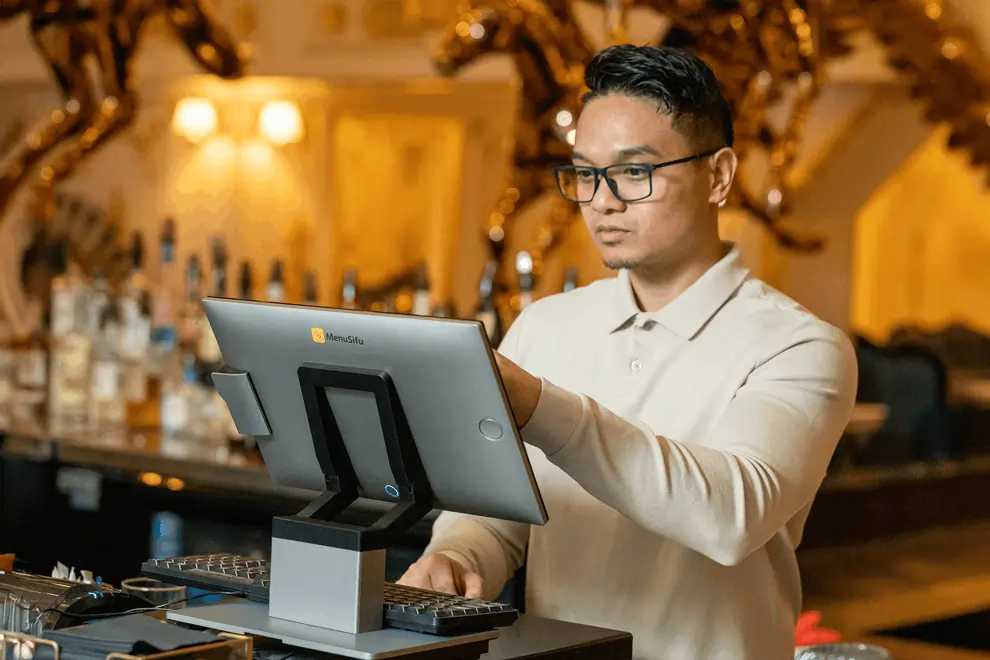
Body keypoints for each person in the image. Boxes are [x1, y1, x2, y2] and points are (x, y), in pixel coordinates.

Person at [398, 44, 857, 659]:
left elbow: (731, 516)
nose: (602, 201)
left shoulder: (800, 347)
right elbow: (494, 512)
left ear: (719, 175)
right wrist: (457, 552)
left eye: (634, 172)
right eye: (585, 173)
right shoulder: (545, 325)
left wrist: (541, 407)